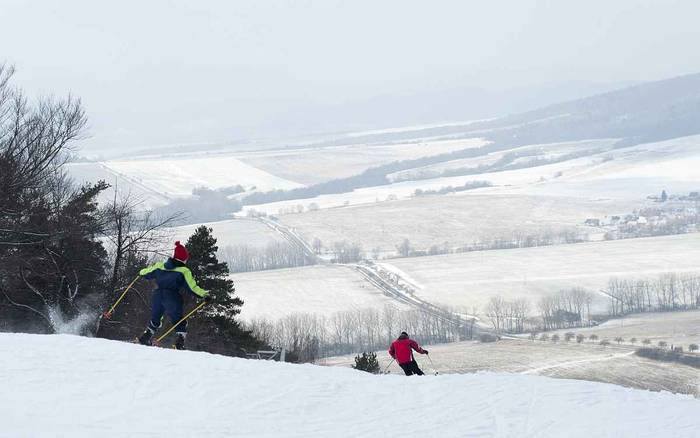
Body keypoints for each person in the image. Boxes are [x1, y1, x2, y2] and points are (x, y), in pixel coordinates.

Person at [137, 241, 210, 349]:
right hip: (172, 296)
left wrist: (141, 272)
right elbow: (192, 287)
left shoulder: (160, 266)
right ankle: (179, 342)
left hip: (158, 295)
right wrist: (204, 294)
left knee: (156, 317)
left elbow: (145, 272)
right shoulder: (184, 271)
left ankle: (145, 337)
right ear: (184, 259)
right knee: (178, 319)